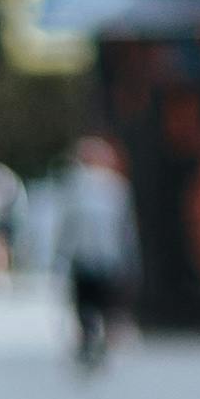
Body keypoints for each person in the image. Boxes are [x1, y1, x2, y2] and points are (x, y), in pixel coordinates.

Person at [58, 132, 139, 373]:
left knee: (94, 304)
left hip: (99, 256)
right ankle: (91, 342)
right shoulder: (83, 185)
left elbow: (123, 227)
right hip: (93, 256)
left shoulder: (113, 187)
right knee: (90, 304)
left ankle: (95, 343)